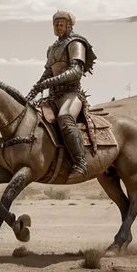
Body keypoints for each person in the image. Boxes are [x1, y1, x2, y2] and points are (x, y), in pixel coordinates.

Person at [25, 10, 98, 177]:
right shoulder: (52, 49)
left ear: (69, 25)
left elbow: (75, 72)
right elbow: (47, 73)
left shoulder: (75, 43)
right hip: (53, 96)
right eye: (56, 23)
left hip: (71, 94)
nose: (58, 26)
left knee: (64, 118)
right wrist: (33, 91)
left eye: (62, 23)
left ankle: (81, 162)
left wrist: (48, 83)